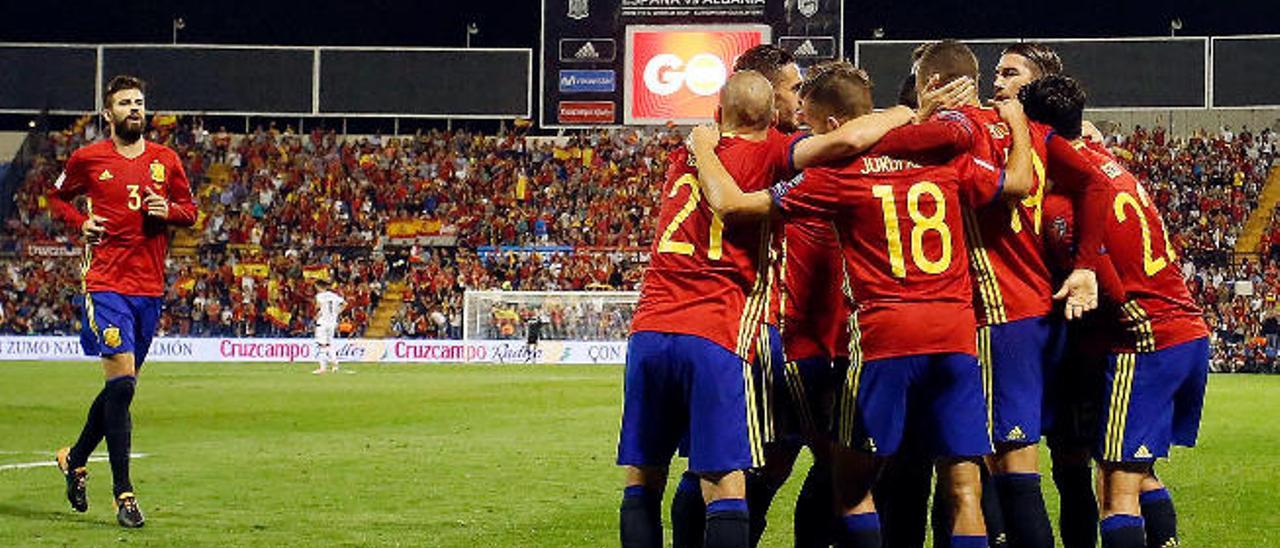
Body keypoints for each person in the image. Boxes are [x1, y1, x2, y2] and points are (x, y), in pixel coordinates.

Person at [689, 59, 1034, 548]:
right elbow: (1012, 180)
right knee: (964, 488)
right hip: (956, 336)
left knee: (849, 483)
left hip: (884, 339)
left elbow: (741, 206)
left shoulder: (836, 175)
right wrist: (1014, 125)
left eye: (810, 124)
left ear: (831, 125)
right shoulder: (945, 157)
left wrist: (704, 149)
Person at [1021, 74, 1209, 548]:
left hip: (1144, 341)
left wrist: (1114, 305)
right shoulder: (1110, 167)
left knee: (1115, 488)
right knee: (1140, 472)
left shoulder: (1064, 202)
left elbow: (1103, 272)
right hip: (1185, 329)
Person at [51, 74, 198, 528]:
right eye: (125, 103)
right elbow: (57, 198)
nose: (135, 108)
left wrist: (167, 211)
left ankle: (74, 458)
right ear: (108, 113)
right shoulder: (88, 158)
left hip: (149, 290)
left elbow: (189, 212)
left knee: (123, 388)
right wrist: (80, 222)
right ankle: (124, 494)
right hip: (105, 282)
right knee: (122, 387)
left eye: (139, 102)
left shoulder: (165, 160)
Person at [313, 278, 346, 374]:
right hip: (332, 323)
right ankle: (335, 365)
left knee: (322, 345)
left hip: (323, 323)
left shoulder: (319, 296)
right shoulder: (334, 296)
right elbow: (344, 304)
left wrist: (318, 313)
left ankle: (322, 368)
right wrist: (336, 312)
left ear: (319, 287)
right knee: (330, 344)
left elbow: (318, 307)